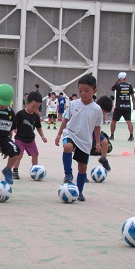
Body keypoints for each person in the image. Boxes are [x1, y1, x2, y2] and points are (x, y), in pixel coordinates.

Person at [55, 74, 102, 202]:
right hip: (71, 133)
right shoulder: (73, 104)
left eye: (87, 91)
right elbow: (65, 119)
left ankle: (79, 191)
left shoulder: (97, 109)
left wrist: (97, 142)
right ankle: (68, 174)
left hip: (85, 139)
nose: (83, 93)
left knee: (82, 167)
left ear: (94, 91)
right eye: (80, 90)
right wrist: (59, 134)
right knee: (67, 146)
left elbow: (97, 127)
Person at [12, 91, 47, 179]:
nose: (35, 109)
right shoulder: (20, 114)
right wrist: (16, 131)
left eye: (37, 107)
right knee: (19, 155)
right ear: (27, 103)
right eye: (33, 106)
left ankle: (35, 170)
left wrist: (42, 136)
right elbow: (14, 125)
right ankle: (15, 171)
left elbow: (38, 127)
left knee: (35, 154)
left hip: (31, 139)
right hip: (20, 139)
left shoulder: (35, 116)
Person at [110, 72, 135, 141]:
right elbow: (132, 96)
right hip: (127, 106)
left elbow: (111, 88)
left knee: (114, 121)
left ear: (119, 78)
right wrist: (133, 105)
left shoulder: (118, 85)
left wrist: (116, 82)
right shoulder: (129, 86)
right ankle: (131, 136)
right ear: (125, 78)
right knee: (129, 121)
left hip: (119, 107)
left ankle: (112, 136)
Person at [93, 95, 114, 171]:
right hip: (86, 131)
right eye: (104, 111)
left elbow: (97, 127)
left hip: (94, 131)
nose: (104, 114)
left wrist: (98, 141)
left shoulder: (99, 114)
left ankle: (103, 159)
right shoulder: (92, 110)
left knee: (105, 142)